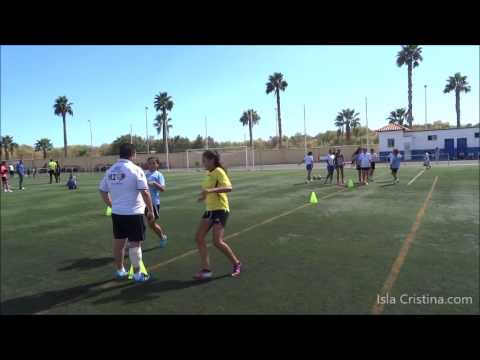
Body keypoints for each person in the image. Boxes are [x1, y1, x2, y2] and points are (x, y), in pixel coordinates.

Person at [99, 143, 156, 283]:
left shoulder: (110, 170)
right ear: (133, 154)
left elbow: (102, 190)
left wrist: (112, 205)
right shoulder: (135, 169)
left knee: (119, 243)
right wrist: (151, 210)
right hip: (133, 213)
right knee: (135, 244)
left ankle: (120, 271)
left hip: (117, 213)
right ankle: (137, 274)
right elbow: (145, 192)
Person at [194, 150, 241, 280]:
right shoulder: (208, 174)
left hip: (220, 210)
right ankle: (206, 269)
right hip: (210, 210)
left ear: (212, 160)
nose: (203, 163)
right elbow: (208, 190)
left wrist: (210, 190)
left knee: (217, 241)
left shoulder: (219, 171)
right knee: (199, 238)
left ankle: (236, 264)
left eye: (204, 160)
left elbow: (229, 187)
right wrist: (204, 196)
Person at [144, 157, 168, 247]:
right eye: (150, 163)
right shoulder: (144, 174)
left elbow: (163, 189)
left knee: (151, 224)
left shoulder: (159, 175)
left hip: (154, 203)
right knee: (143, 224)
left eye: (154, 163)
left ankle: (162, 237)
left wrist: (154, 183)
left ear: (158, 165)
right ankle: (135, 243)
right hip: (144, 203)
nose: (152, 165)